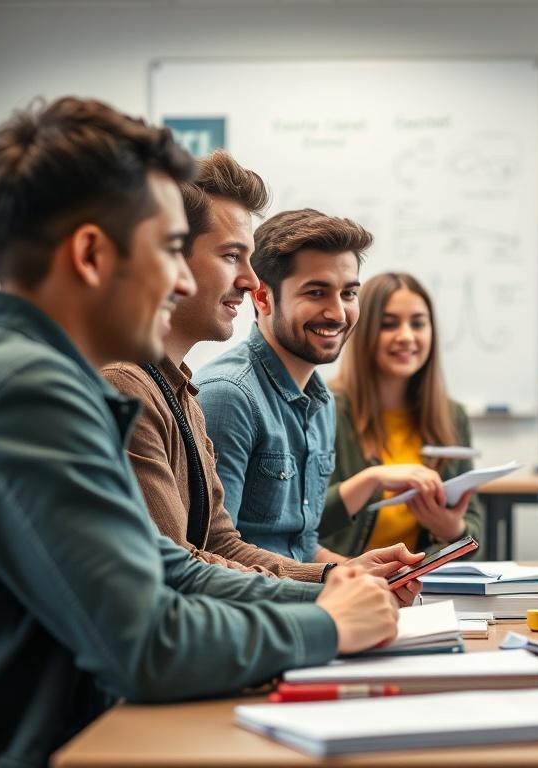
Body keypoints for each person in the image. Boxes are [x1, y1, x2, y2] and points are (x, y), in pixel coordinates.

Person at [0, 97, 397, 767]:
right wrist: (325, 623)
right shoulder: (24, 395)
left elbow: (165, 565)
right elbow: (147, 642)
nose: (182, 281)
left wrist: (328, 594)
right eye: (173, 251)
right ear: (91, 254)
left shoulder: (11, 375)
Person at [101, 151, 422, 598]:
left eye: (348, 293)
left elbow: (219, 544)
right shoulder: (142, 387)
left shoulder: (182, 393)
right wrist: (330, 596)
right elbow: (175, 573)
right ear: (168, 257)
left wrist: (338, 578)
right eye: (233, 256)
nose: (251, 281)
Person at [195, 208, 369, 563]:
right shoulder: (229, 395)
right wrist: (335, 581)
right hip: (255, 611)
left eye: (348, 294)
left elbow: (300, 545)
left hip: (300, 599)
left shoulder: (321, 400)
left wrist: (361, 573)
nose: (338, 313)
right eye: (317, 292)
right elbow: (213, 552)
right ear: (262, 298)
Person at [318, 272, 484, 557]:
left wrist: (451, 529)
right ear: (363, 331)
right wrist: (371, 480)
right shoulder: (324, 408)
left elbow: (475, 534)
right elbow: (301, 524)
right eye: (388, 324)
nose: (406, 337)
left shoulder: (451, 415)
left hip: (419, 586)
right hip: (342, 582)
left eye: (418, 323)